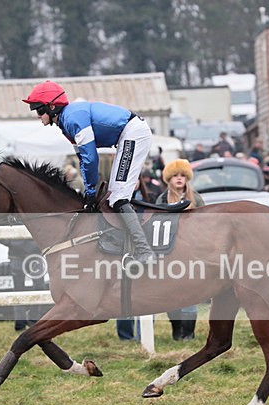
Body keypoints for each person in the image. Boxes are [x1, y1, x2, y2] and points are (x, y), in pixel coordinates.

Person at [23, 80, 156, 264]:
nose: (37, 115)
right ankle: (130, 246)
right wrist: (89, 190)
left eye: (38, 109)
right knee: (113, 197)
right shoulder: (65, 123)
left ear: (52, 106)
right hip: (128, 134)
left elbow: (91, 159)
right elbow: (83, 160)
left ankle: (144, 251)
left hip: (133, 133)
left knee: (118, 198)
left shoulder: (72, 118)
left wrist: (91, 191)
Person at [156, 159, 204, 341]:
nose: (179, 179)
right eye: (175, 175)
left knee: (191, 294)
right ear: (168, 179)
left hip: (193, 252)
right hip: (170, 252)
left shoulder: (196, 198)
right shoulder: (161, 199)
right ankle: (177, 332)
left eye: (182, 175)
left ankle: (188, 335)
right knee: (171, 294)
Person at [0, 233, 48, 331]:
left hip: (36, 255)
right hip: (16, 256)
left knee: (39, 287)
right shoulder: (10, 217)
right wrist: (11, 242)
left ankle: (33, 319)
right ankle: (20, 322)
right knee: (18, 290)